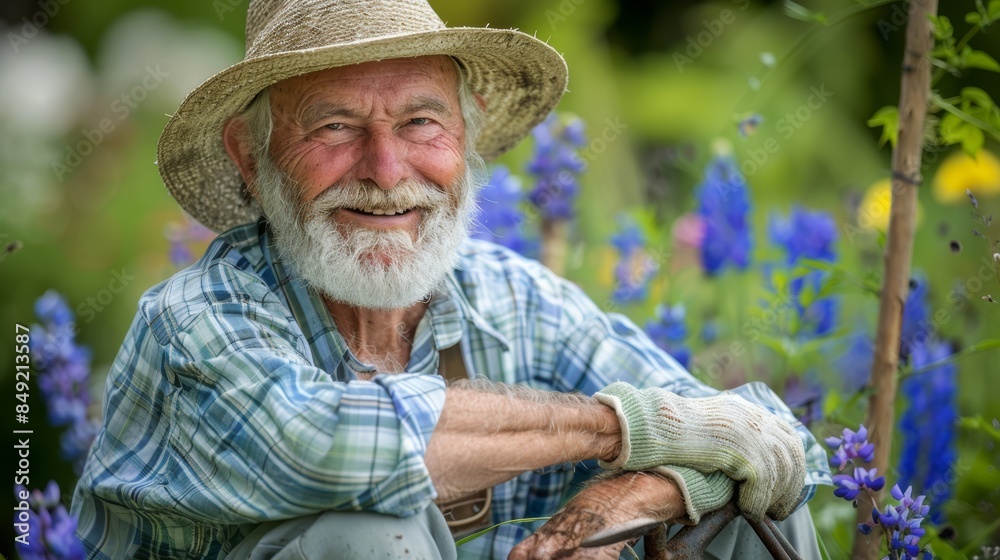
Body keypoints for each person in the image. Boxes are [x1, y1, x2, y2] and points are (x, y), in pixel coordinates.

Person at [70, 0, 831, 558]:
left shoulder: (512, 297)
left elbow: (776, 440)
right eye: (335, 126)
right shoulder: (195, 320)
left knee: (744, 511)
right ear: (249, 153)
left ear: (467, 134)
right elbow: (330, 447)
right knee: (363, 534)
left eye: (420, 123)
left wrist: (633, 495)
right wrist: (627, 430)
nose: (386, 170)